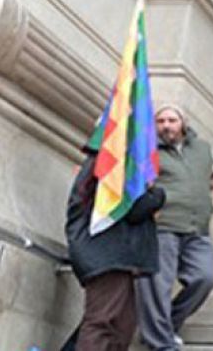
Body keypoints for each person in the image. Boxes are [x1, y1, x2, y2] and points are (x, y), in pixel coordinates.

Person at [136, 105, 213, 351]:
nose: (166, 125)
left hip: (197, 228)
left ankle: (167, 325)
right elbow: (139, 184)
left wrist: (212, 204)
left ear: (183, 123)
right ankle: (161, 343)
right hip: (162, 226)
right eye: (161, 120)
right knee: (157, 286)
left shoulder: (204, 149)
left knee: (204, 278)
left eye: (172, 120)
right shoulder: (148, 149)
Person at [65, 147, 166, 350]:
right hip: (110, 255)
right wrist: (157, 194)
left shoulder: (107, 160)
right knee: (104, 323)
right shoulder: (113, 161)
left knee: (119, 328)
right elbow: (134, 209)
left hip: (115, 255)